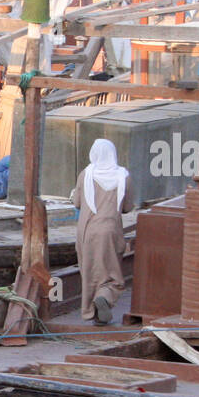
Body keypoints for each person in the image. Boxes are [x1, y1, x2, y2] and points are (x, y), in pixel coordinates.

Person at [70, 138, 133, 326]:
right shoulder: (123, 176)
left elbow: (77, 204)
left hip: (87, 231)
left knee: (90, 272)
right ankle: (104, 298)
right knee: (112, 275)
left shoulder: (86, 175)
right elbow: (128, 206)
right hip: (111, 230)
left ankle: (93, 311)